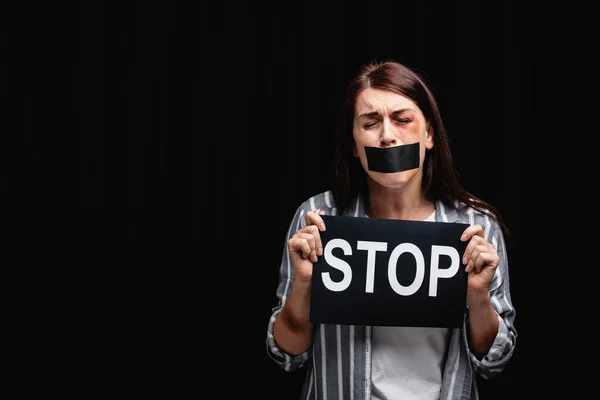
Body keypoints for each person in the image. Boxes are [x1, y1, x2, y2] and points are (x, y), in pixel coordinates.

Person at [265, 59, 517, 400]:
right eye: (371, 123)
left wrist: (477, 296)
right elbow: (288, 355)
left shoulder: (476, 227)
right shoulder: (317, 219)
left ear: (428, 134)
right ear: (354, 145)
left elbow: (494, 362)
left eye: (402, 120)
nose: (387, 136)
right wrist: (305, 286)